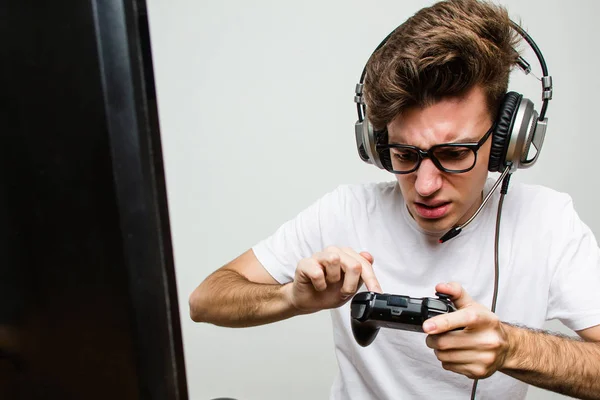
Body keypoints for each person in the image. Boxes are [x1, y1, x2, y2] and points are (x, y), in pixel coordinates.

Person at [188, 0, 600, 399]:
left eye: (454, 154)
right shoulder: (344, 211)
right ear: (379, 147)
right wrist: (290, 298)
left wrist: (513, 347)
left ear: (506, 144)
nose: (424, 185)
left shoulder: (548, 222)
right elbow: (205, 299)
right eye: (404, 155)